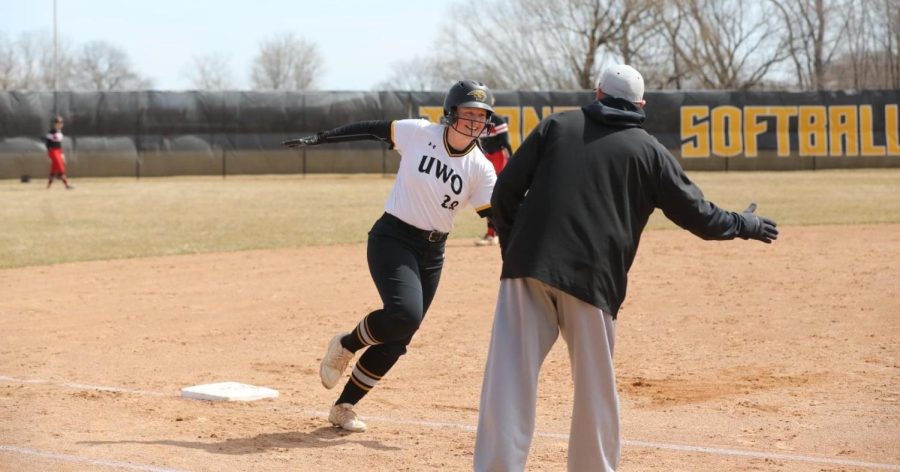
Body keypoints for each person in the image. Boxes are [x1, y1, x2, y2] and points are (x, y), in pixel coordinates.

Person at [473, 64, 778, 472]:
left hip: (527, 268)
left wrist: (514, 252)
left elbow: (506, 191)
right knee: (594, 390)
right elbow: (700, 216)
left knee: (508, 381)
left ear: (597, 94)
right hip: (593, 279)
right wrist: (746, 224)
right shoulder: (648, 150)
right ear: (641, 105)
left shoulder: (556, 126)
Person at [283, 80, 498, 433]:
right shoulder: (420, 134)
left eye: (481, 116)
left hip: (433, 251)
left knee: (402, 334)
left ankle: (344, 405)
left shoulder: (481, 167)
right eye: (468, 113)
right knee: (404, 313)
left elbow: (496, 215)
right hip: (393, 236)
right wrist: (322, 137)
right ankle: (346, 344)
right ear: (451, 113)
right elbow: (371, 128)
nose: (475, 122)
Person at [474, 111, 512, 246]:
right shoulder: (477, 120)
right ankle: (492, 233)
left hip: (497, 158)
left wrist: (512, 161)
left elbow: (505, 142)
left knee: (496, 196)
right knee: (487, 197)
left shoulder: (498, 120)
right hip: (483, 158)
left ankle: (495, 233)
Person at [45, 115, 74, 190]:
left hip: (58, 151)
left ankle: (48, 186)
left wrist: (62, 154)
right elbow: (48, 143)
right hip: (53, 151)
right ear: (55, 124)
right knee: (61, 168)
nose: (61, 124)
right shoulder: (52, 132)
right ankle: (66, 185)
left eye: (62, 122)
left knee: (53, 169)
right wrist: (49, 154)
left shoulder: (60, 132)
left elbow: (59, 144)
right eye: (59, 122)